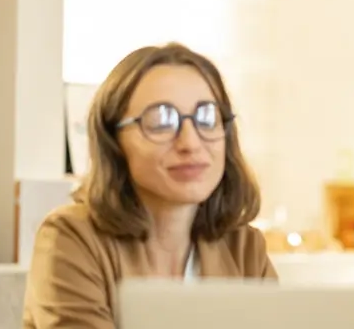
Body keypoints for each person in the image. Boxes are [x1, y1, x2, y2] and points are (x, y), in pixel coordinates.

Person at [23, 43, 274, 329]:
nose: (190, 143)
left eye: (207, 118)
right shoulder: (70, 238)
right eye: (161, 121)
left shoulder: (245, 247)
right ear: (114, 142)